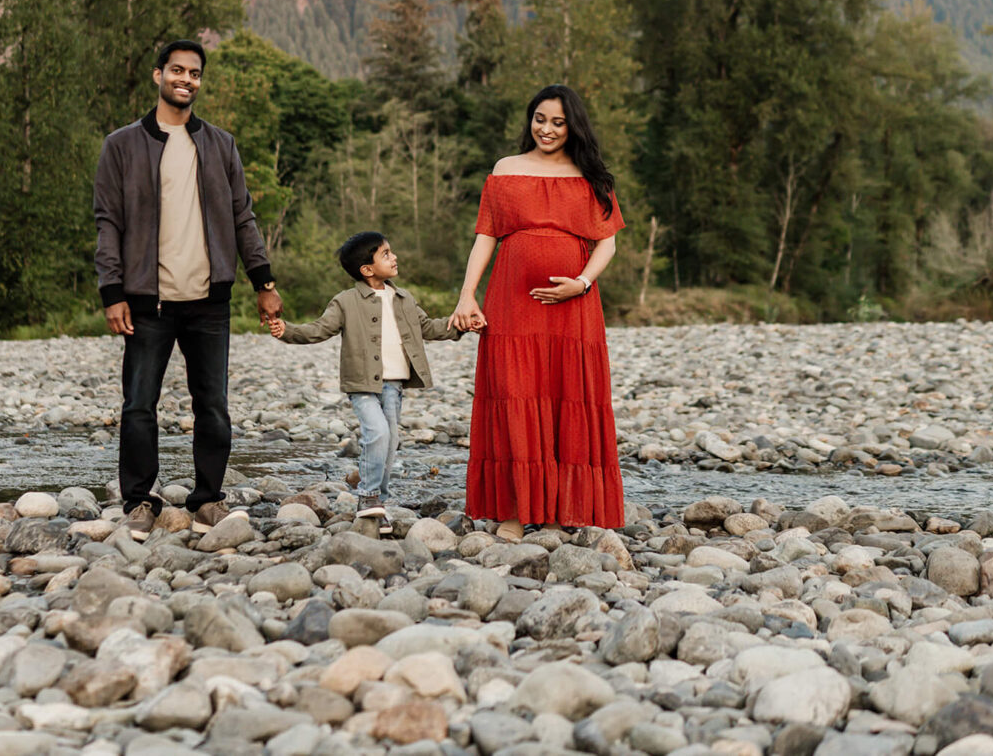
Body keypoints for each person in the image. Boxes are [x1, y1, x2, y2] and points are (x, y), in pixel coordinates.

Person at [94, 39, 284, 540]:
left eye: (194, 73)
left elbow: (243, 217)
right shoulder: (122, 145)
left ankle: (208, 502)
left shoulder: (220, 144)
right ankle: (138, 502)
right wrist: (111, 291)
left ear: (200, 81)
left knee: (213, 406)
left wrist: (263, 281)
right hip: (146, 300)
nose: (186, 79)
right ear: (158, 75)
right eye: (176, 70)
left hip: (209, 301)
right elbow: (108, 222)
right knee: (138, 405)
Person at [450, 84, 626, 538]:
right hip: (511, 303)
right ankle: (513, 511)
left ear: (573, 127)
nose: (546, 129)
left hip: (574, 308)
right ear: (530, 120)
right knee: (514, 394)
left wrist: (581, 283)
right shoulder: (506, 170)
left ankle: (555, 510)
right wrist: (467, 295)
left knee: (565, 396)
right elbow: (486, 236)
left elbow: (607, 241)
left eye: (558, 122)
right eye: (540, 119)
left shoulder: (590, 177)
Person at [264, 232, 464, 532]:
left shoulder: (404, 298)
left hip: (394, 386)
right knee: (378, 435)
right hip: (363, 386)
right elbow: (319, 329)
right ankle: (368, 497)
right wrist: (287, 330)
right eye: (386, 254)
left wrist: (460, 325)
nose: (394, 257)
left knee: (391, 443)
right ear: (367, 269)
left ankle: (377, 503)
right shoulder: (345, 301)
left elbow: (429, 328)